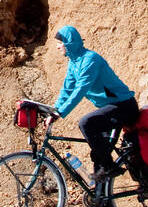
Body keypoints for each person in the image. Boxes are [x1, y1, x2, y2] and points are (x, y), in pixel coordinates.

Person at [44, 25, 139, 189]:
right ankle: (100, 203)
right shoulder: (74, 63)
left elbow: (81, 89)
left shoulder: (90, 59)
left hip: (123, 106)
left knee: (86, 123)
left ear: (69, 42)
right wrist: (53, 111)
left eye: (60, 43)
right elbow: (67, 90)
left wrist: (61, 113)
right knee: (98, 154)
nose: (58, 47)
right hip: (111, 107)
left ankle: (111, 167)